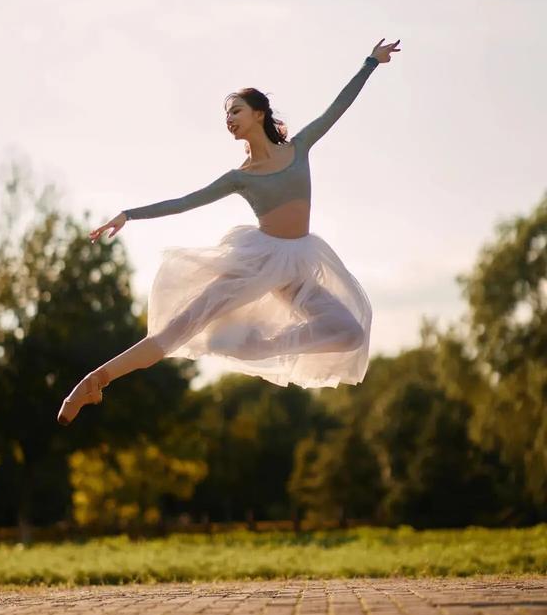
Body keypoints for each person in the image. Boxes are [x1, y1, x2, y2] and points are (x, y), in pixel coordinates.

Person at [57, 37, 401, 425]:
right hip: (257, 263)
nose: (229, 118)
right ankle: (92, 381)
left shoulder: (299, 147)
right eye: (226, 115)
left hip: (298, 265)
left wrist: (371, 63)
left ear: (259, 113)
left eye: (236, 110)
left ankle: (261, 344)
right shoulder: (241, 177)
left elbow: (338, 107)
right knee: (175, 332)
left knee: (350, 333)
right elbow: (185, 201)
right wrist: (128, 214)